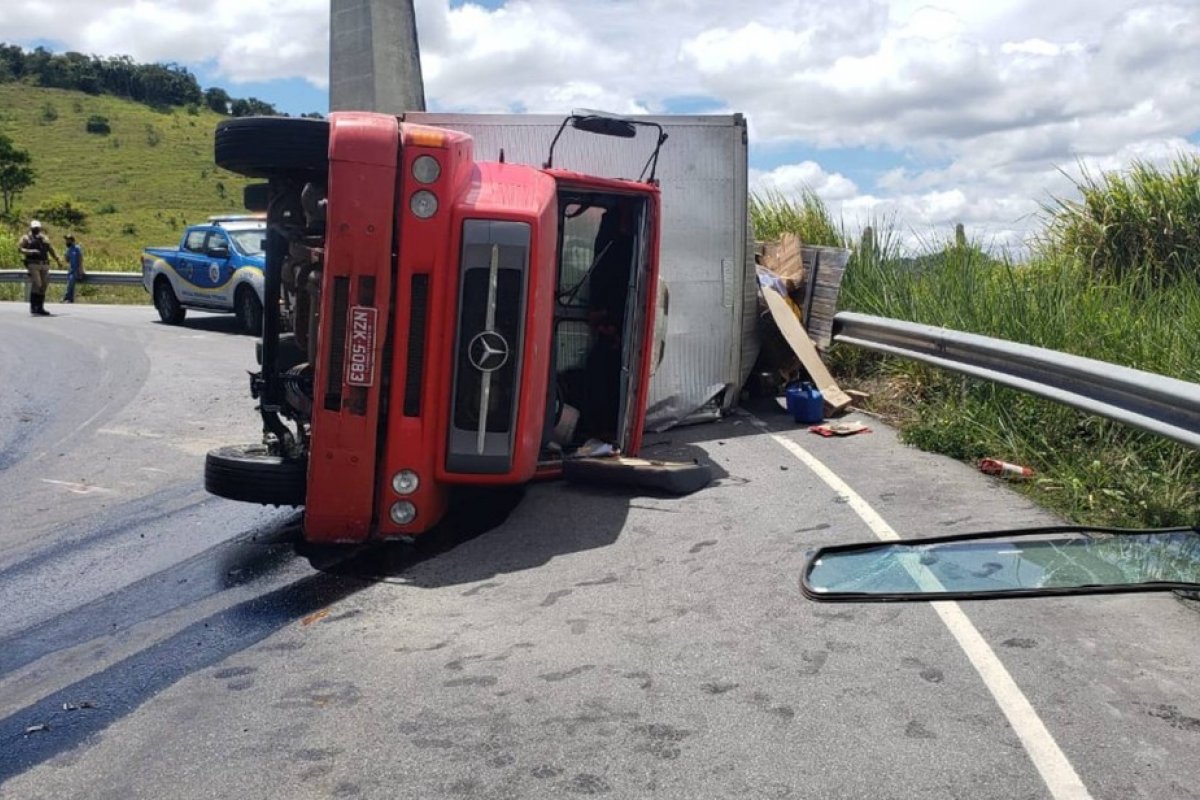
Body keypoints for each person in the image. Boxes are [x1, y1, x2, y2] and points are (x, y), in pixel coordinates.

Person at [17, 219, 61, 316]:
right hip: (33, 264)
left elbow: (50, 249)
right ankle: (34, 307)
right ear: (31, 228)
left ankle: (40, 307)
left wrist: (57, 259)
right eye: (34, 228)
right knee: (37, 284)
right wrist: (30, 251)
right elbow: (20, 249)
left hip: (44, 264)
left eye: (37, 228)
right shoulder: (26, 238)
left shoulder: (44, 238)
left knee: (44, 285)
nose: (36, 229)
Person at [62, 233, 84, 303]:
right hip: (71, 270)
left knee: (70, 284)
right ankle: (70, 299)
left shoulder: (77, 248)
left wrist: (81, 271)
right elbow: (67, 260)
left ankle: (66, 298)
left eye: (68, 240)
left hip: (76, 270)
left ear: (72, 241)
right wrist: (65, 255)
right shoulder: (69, 249)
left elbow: (80, 259)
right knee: (70, 284)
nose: (66, 242)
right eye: (66, 240)